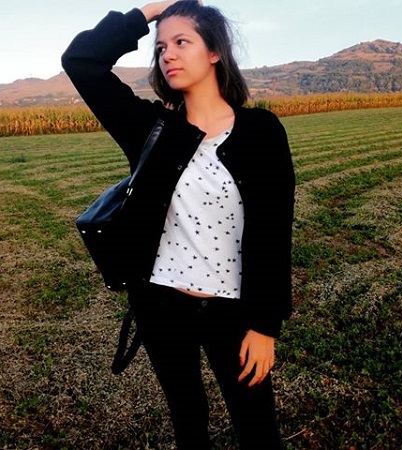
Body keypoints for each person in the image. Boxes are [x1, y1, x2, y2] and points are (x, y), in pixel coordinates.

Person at [62, 1, 295, 449]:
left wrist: (265, 326)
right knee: (189, 423)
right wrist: (152, 11)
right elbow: (81, 61)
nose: (167, 53)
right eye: (161, 46)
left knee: (258, 429)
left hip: (233, 310)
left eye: (182, 42)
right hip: (161, 306)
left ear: (214, 51)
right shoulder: (150, 128)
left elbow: (273, 232)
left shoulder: (261, 131)